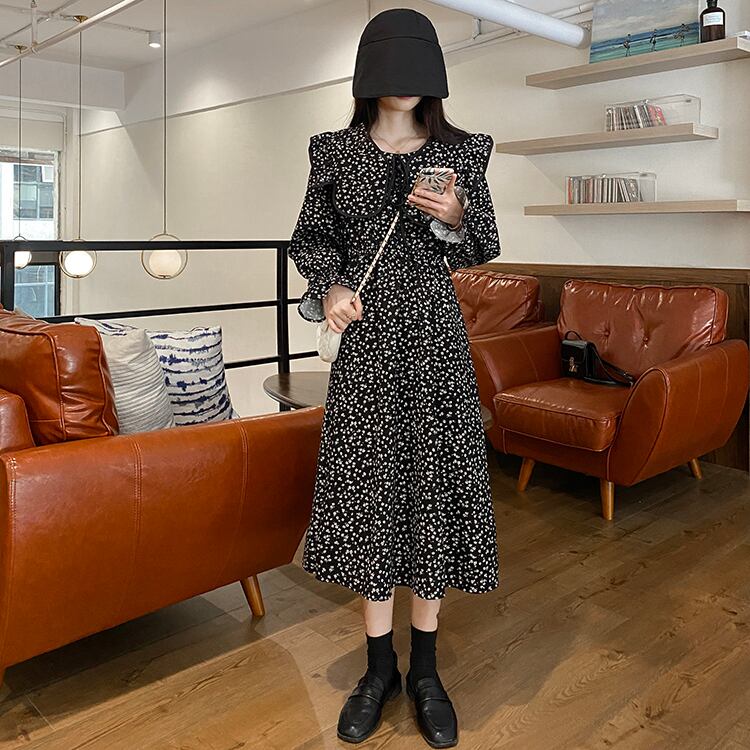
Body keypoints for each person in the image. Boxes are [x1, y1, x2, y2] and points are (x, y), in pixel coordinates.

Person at [287, 8, 500, 747]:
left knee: (433, 492)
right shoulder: (333, 150)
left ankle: (427, 672)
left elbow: (483, 243)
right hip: (369, 348)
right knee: (372, 497)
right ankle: (379, 669)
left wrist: (455, 213)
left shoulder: (462, 151)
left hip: (435, 345)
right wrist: (331, 289)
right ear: (368, 73)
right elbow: (310, 240)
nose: (406, 84)